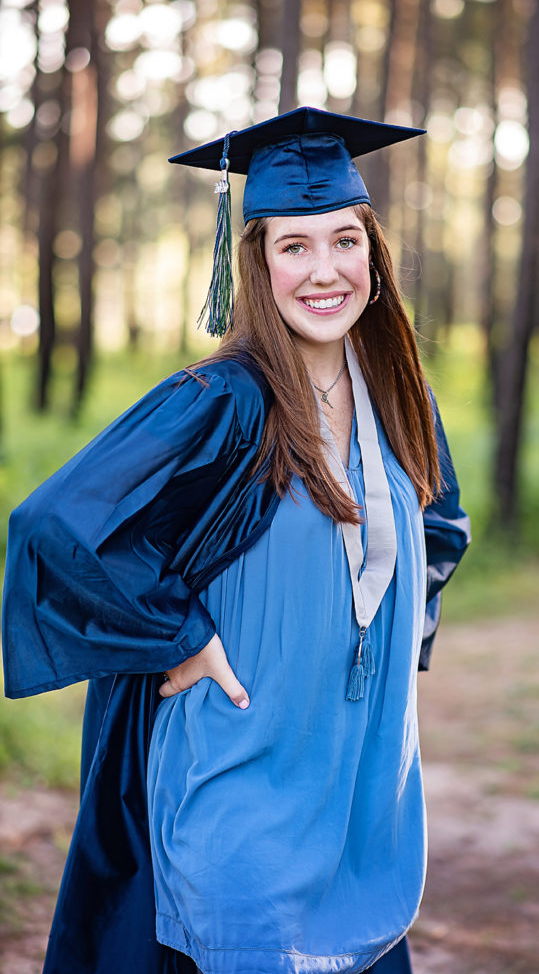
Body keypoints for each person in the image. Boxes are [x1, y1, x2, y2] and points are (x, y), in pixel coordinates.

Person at [2, 107, 470, 974]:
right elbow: (55, 526)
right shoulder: (226, 401)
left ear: (375, 256)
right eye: (294, 246)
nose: (324, 270)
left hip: (360, 788)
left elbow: (439, 530)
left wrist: (377, 642)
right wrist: (180, 636)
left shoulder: (400, 398)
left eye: (344, 242)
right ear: (255, 261)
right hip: (241, 780)